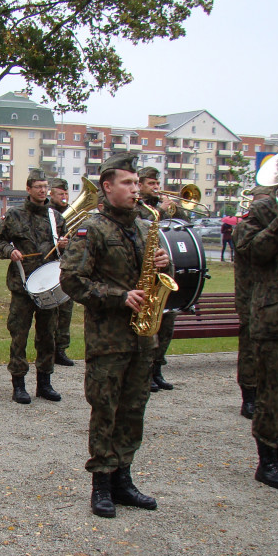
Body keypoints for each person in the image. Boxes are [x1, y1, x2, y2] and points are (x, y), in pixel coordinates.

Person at [60, 152, 169, 518]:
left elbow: (146, 272)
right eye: (127, 183)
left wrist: (159, 265)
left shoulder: (141, 226)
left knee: (134, 410)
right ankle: (102, 484)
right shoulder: (91, 228)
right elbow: (72, 280)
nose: (135, 189)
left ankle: (124, 477)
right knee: (105, 410)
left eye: (137, 183)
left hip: (142, 337)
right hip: (109, 339)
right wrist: (120, 297)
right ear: (107, 187)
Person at [234, 184, 278, 489]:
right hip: (271, 315)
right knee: (271, 392)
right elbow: (252, 251)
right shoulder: (258, 217)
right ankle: (268, 459)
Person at [0, 169, 68, 404]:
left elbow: (70, 248)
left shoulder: (55, 217)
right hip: (22, 286)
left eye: (46, 187)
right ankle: (19, 384)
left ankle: (44, 383)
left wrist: (65, 244)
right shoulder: (14, 215)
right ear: (29, 188)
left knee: (47, 337)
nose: (43, 191)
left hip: (49, 286)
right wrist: (9, 251)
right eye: (38, 187)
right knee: (19, 335)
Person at [137, 166, 186, 391]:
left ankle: (157, 369)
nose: (156, 188)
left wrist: (175, 207)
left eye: (157, 184)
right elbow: (142, 224)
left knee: (167, 323)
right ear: (139, 185)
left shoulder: (161, 207)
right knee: (148, 325)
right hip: (144, 272)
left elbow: (184, 225)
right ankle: (144, 372)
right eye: (151, 184)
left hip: (165, 268)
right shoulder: (137, 208)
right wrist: (162, 211)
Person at [233, 192, 265, 419]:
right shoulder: (245, 227)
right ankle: (250, 396)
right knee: (250, 350)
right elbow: (257, 250)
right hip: (251, 299)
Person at [48, 178, 76, 368]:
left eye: (66, 194)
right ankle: (49, 350)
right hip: (49, 268)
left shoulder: (67, 215)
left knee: (66, 310)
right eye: (60, 194)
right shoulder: (47, 213)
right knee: (50, 314)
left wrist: (68, 244)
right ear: (52, 194)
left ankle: (61, 349)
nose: (64, 197)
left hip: (65, 266)